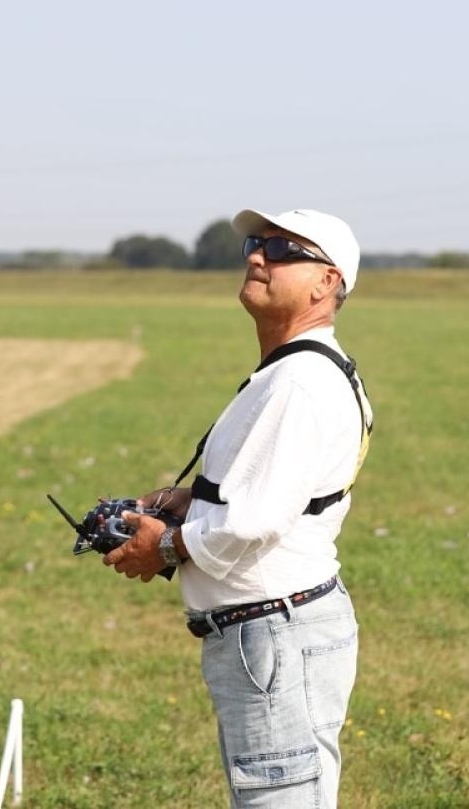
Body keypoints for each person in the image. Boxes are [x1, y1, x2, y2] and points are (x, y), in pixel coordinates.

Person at [104, 207, 373, 807]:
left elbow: (255, 522)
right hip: (277, 631)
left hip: (273, 635)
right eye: (256, 243)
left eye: (282, 251)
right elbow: (278, 495)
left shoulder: (298, 383)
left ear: (327, 282)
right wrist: (190, 499)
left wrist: (163, 546)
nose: (257, 257)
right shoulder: (298, 371)